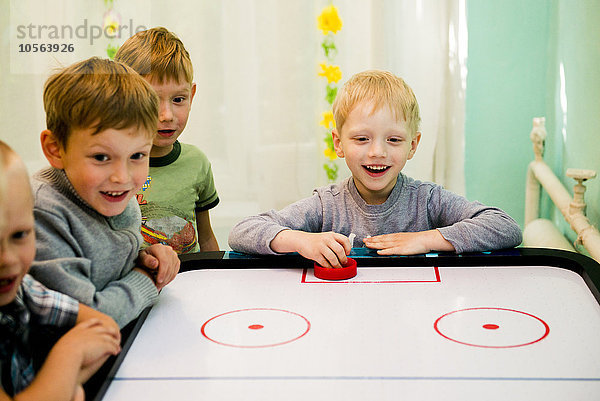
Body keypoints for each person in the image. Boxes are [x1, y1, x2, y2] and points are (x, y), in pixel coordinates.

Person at [228, 70, 522, 268]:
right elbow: (242, 232)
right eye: (361, 138)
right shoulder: (326, 204)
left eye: (393, 139)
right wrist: (300, 240)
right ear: (338, 143)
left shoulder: (427, 200)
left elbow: (504, 227)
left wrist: (425, 238)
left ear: (413, 145)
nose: (377, 152)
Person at [29, 57, 180, 329]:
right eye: (100, 157)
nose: (121, 177)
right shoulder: (43, 212)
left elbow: (113, 263)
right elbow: (86, 321)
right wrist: (146, 278)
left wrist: (148, 256)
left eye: (137, 155)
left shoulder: (112, 193)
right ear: (55, 149)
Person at [0, 141, 121, 400]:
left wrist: (61, 387)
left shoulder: (25, 289)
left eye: (20, 234)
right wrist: (69, 355)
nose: (8, 259)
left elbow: (104, 327)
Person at [114, 27, 220, 254]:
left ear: (191, 96)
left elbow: (207, 238)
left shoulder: (197, 162)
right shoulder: (111, 168)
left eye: (178, 99)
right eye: (152, 100)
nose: (167, 115)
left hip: (190, 284)